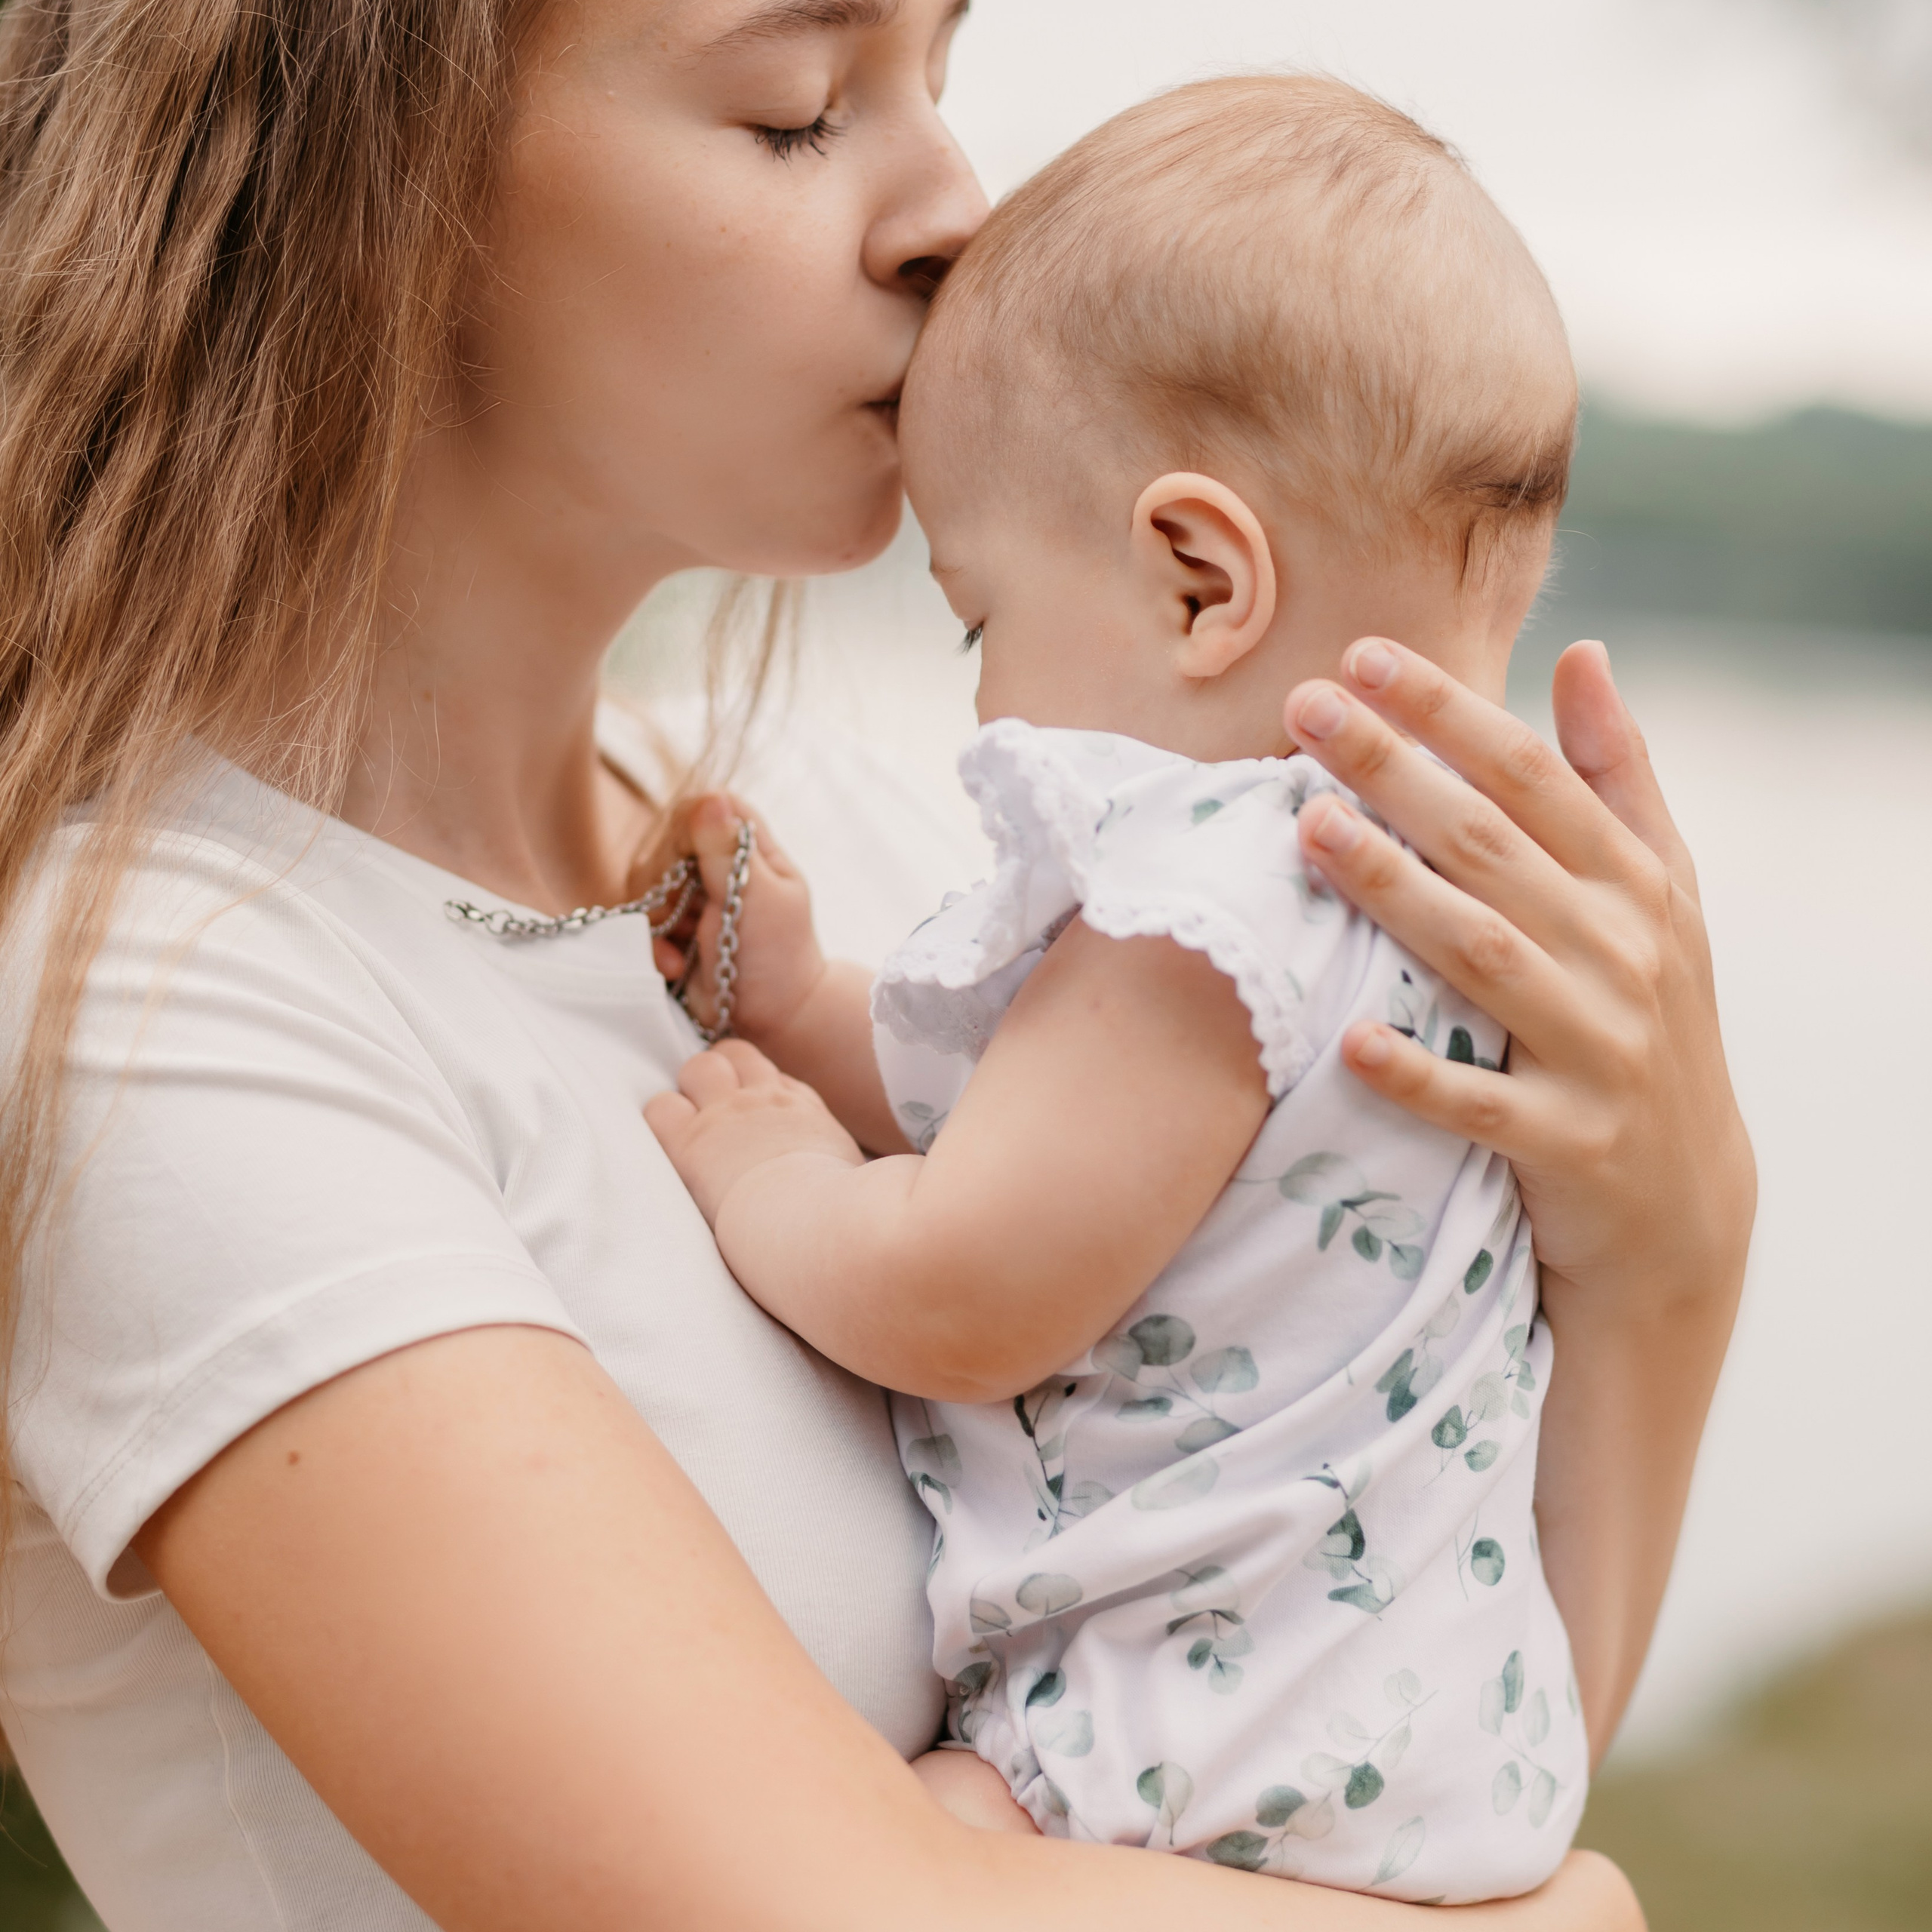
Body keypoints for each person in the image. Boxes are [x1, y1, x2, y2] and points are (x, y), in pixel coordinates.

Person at [0, 3, 1749, 1929]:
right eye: (799, 109)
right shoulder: (146, 1006)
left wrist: (1666, 1241)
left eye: (939, 71)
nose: (952, 207)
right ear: (366, 185)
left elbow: (1389, 1736)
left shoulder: (914, 858)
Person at [645, 76, 1589, 1902]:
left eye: (979, 616)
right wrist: (806, 1004)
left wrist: (770, 1175)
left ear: (1191, 578)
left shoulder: (1200, 906)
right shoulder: (1445, 899)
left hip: (1195, 1744)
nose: (982, 697)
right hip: (1426, 1734)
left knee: (855, 1875)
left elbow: (964, 1285)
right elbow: (1050, 1127)